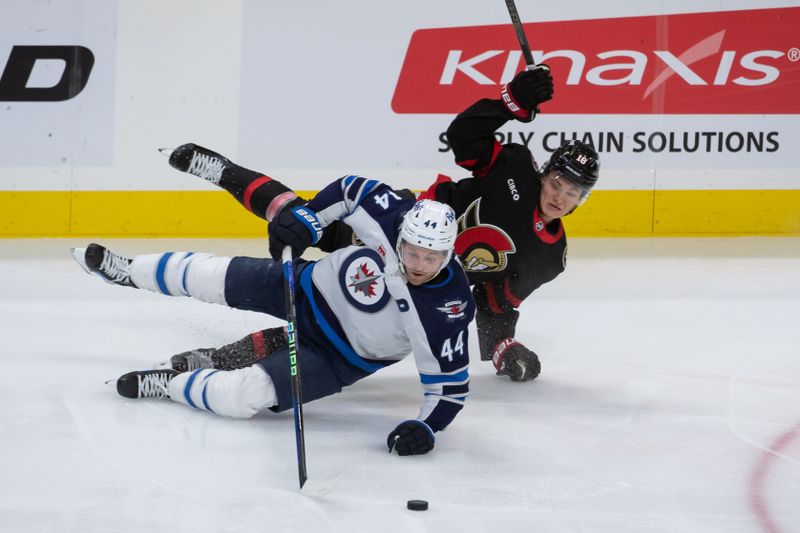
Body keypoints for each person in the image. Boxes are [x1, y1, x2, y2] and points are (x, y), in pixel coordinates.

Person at [161, 65, 599, 382]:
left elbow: (497, 301)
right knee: (301, 220)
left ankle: (218, 358)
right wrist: (511, 103)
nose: (561, 196)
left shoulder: (549, 258)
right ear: (545, 173)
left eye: (574, 192)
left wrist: (503, 347)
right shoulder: (515, 167)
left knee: (336, 332)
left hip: (421, 289)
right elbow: (465, 137)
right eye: (559, 181)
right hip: (398, 232)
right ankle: (223, 172)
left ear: (583, 199)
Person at [72, 178, 474, 457]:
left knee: (243, 395)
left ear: (449, 252)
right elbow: (353, 189)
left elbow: (449, 390)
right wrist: (310, 219)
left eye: (432, 256)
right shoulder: (393, 216)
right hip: (305, 287)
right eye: (412, 251)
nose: (419, 264)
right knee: (213, 276)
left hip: (336, 358)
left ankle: (172, 385)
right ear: (402, 235)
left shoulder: (448, 310)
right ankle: (129, 271)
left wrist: (426, 428)